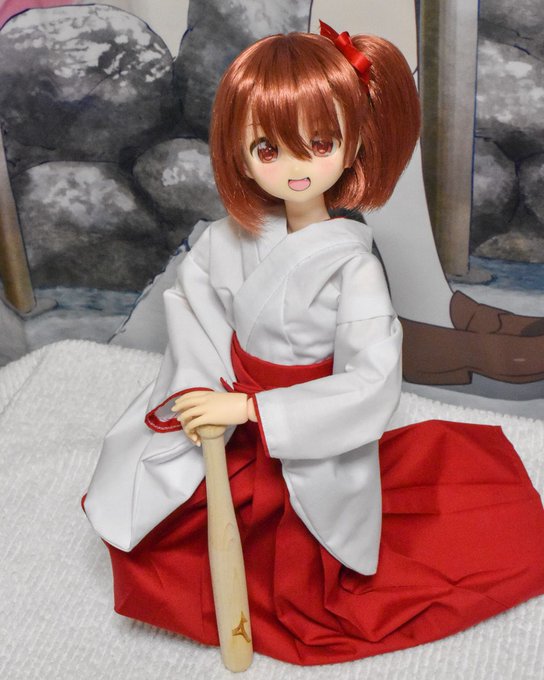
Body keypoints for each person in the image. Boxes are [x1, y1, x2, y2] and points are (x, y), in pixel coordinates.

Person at [84, 24, 544, 665]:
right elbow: (193, 311)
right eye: (267, 148)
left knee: (308, 559)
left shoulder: (352, 268)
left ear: (353, 145)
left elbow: (370, 379)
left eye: (319, 144)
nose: (295, 167)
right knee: (163, 519)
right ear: (237, 150)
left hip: (304, 426)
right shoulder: (224, 240)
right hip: (231, 414)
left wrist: (256, 410)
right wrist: (201, 388)